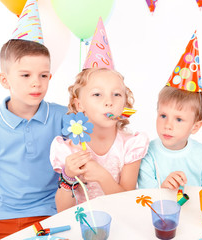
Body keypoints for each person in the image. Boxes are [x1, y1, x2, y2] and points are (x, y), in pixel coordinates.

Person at [0, 38, 67, 239]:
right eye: (25, 75)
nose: (36, 82)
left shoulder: (65, 117)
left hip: (53, 214)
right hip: (0, 218)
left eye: (43, 75)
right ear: (4, 80)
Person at [50, 67, 149, 211]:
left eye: (116, 94)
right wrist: (68, 176)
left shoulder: (130, 145)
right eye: (97, 94)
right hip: (83, 224)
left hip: (120, 221)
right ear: (79, 105)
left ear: (124, 104)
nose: (109, 102)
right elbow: (62, 210)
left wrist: (102, 176)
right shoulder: (70, 149)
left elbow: (128, 204)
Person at [138, 32, 202, 190]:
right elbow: (144, 198)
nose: (168, 125)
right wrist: (164, 189)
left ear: (195, 126)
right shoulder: (147, 153)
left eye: (178, 119)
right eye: (163, 115)